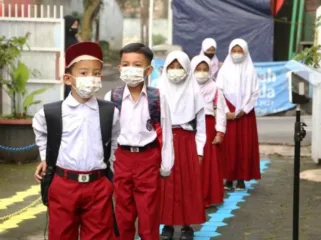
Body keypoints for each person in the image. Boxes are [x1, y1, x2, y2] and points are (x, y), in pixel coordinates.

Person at [33, 42, 120, 240]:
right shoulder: (51, 112)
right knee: (61, 234)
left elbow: (113, 139)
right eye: (83, 73)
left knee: (99, 235)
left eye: (96, 73)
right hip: (64, 184)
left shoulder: (109, 112)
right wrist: (46, 157)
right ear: (67, 78)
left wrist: (110, 166)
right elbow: (40, 131)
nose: (91, 78)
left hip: (98, 184)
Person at [104, 43, 174, 240]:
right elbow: (107, 133)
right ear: (119, 68)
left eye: (137, 65)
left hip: (148, 158)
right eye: (125, 64)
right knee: (123, 212)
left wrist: (166, 164)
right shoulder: (112, 96)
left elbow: (166, 131)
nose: (130, 69)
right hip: (122, 159)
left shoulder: (157, 97)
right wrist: (107, 162)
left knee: (148, 211)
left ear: (148, 69)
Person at [159, 51, 206, 240]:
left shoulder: (194, 91)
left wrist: (200, 149)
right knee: (166, 184)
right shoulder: (158, 88)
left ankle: (188, 226)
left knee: (188, 183)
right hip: (164, 140)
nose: (176, 71)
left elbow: (201, 124)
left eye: (180, 67)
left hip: (186, 141)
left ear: (187, 69)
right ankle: (167, 225)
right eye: (172, 67)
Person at [216, 38, 260, 191]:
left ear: (245, 52)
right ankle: (228, 178)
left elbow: (255, 93)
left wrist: (243, 110)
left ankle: (241, 178)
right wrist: (226, 112)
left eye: (239, 51)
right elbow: (219, 91)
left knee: (244, 145)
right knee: (228, 146)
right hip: (228, 112)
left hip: (244, 115)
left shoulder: (250, 70)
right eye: (233, 51)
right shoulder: (224, 70)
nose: (236, 54)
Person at [191, 55, 227, 207]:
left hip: (208, 127)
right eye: (198, 69)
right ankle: (190, 198)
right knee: (191, 164)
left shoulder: (215, 88)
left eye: (205, 69)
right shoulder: (187, 87)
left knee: (207, 164)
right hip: (190, 127)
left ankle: (206, 198)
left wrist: (220, 132)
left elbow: (220, 111)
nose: (202, 72)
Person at [64, 15, 80, 99]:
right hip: (66, 70)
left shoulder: (74, 38)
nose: (75, 27)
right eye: (73, 25)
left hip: (75, 69)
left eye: (76, 25)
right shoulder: (62, 39)